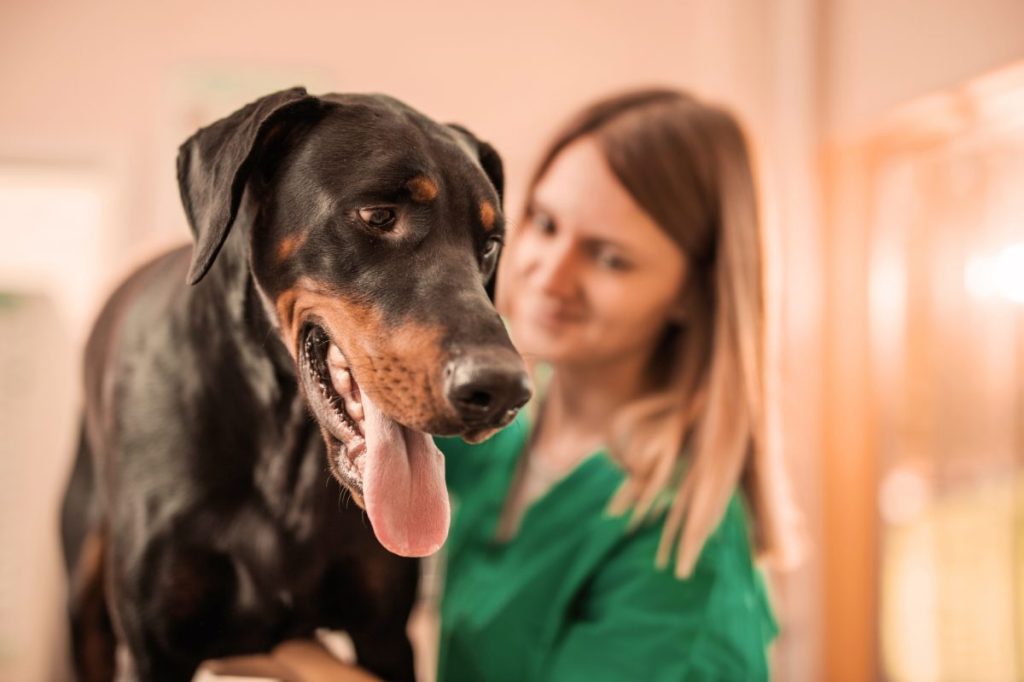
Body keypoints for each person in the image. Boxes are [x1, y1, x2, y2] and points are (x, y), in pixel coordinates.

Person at [434, 88, 799, 681]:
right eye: (545, 223)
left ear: (690, 293)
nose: (548, 274)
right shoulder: (511, 429)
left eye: (608, 259)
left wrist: (310, 669)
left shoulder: (679, 556)